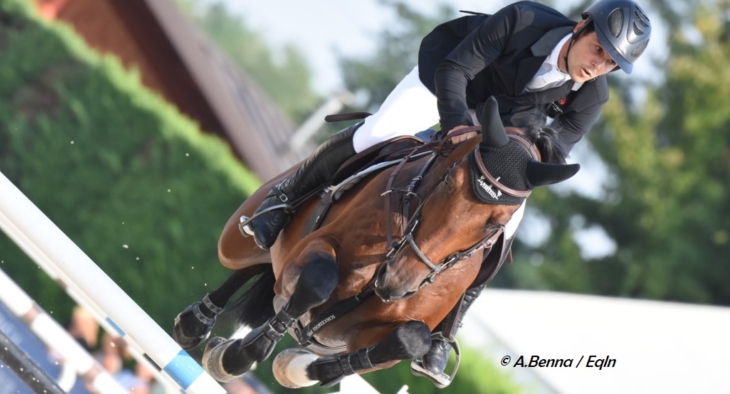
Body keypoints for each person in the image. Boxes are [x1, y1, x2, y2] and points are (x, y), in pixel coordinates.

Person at [244, 0, 651, 387]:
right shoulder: (524, 20)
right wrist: (456, 125)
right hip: (445, 84)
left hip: (497, 135)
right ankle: (283, 197)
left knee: (510, 221)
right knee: (377, 133)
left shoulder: (592, 95)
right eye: (597, 49)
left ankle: (445, 331)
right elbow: (456, 68)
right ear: (581, 27)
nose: (597, 66)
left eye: (610, 63)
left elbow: (552, 151)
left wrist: (510, 167)